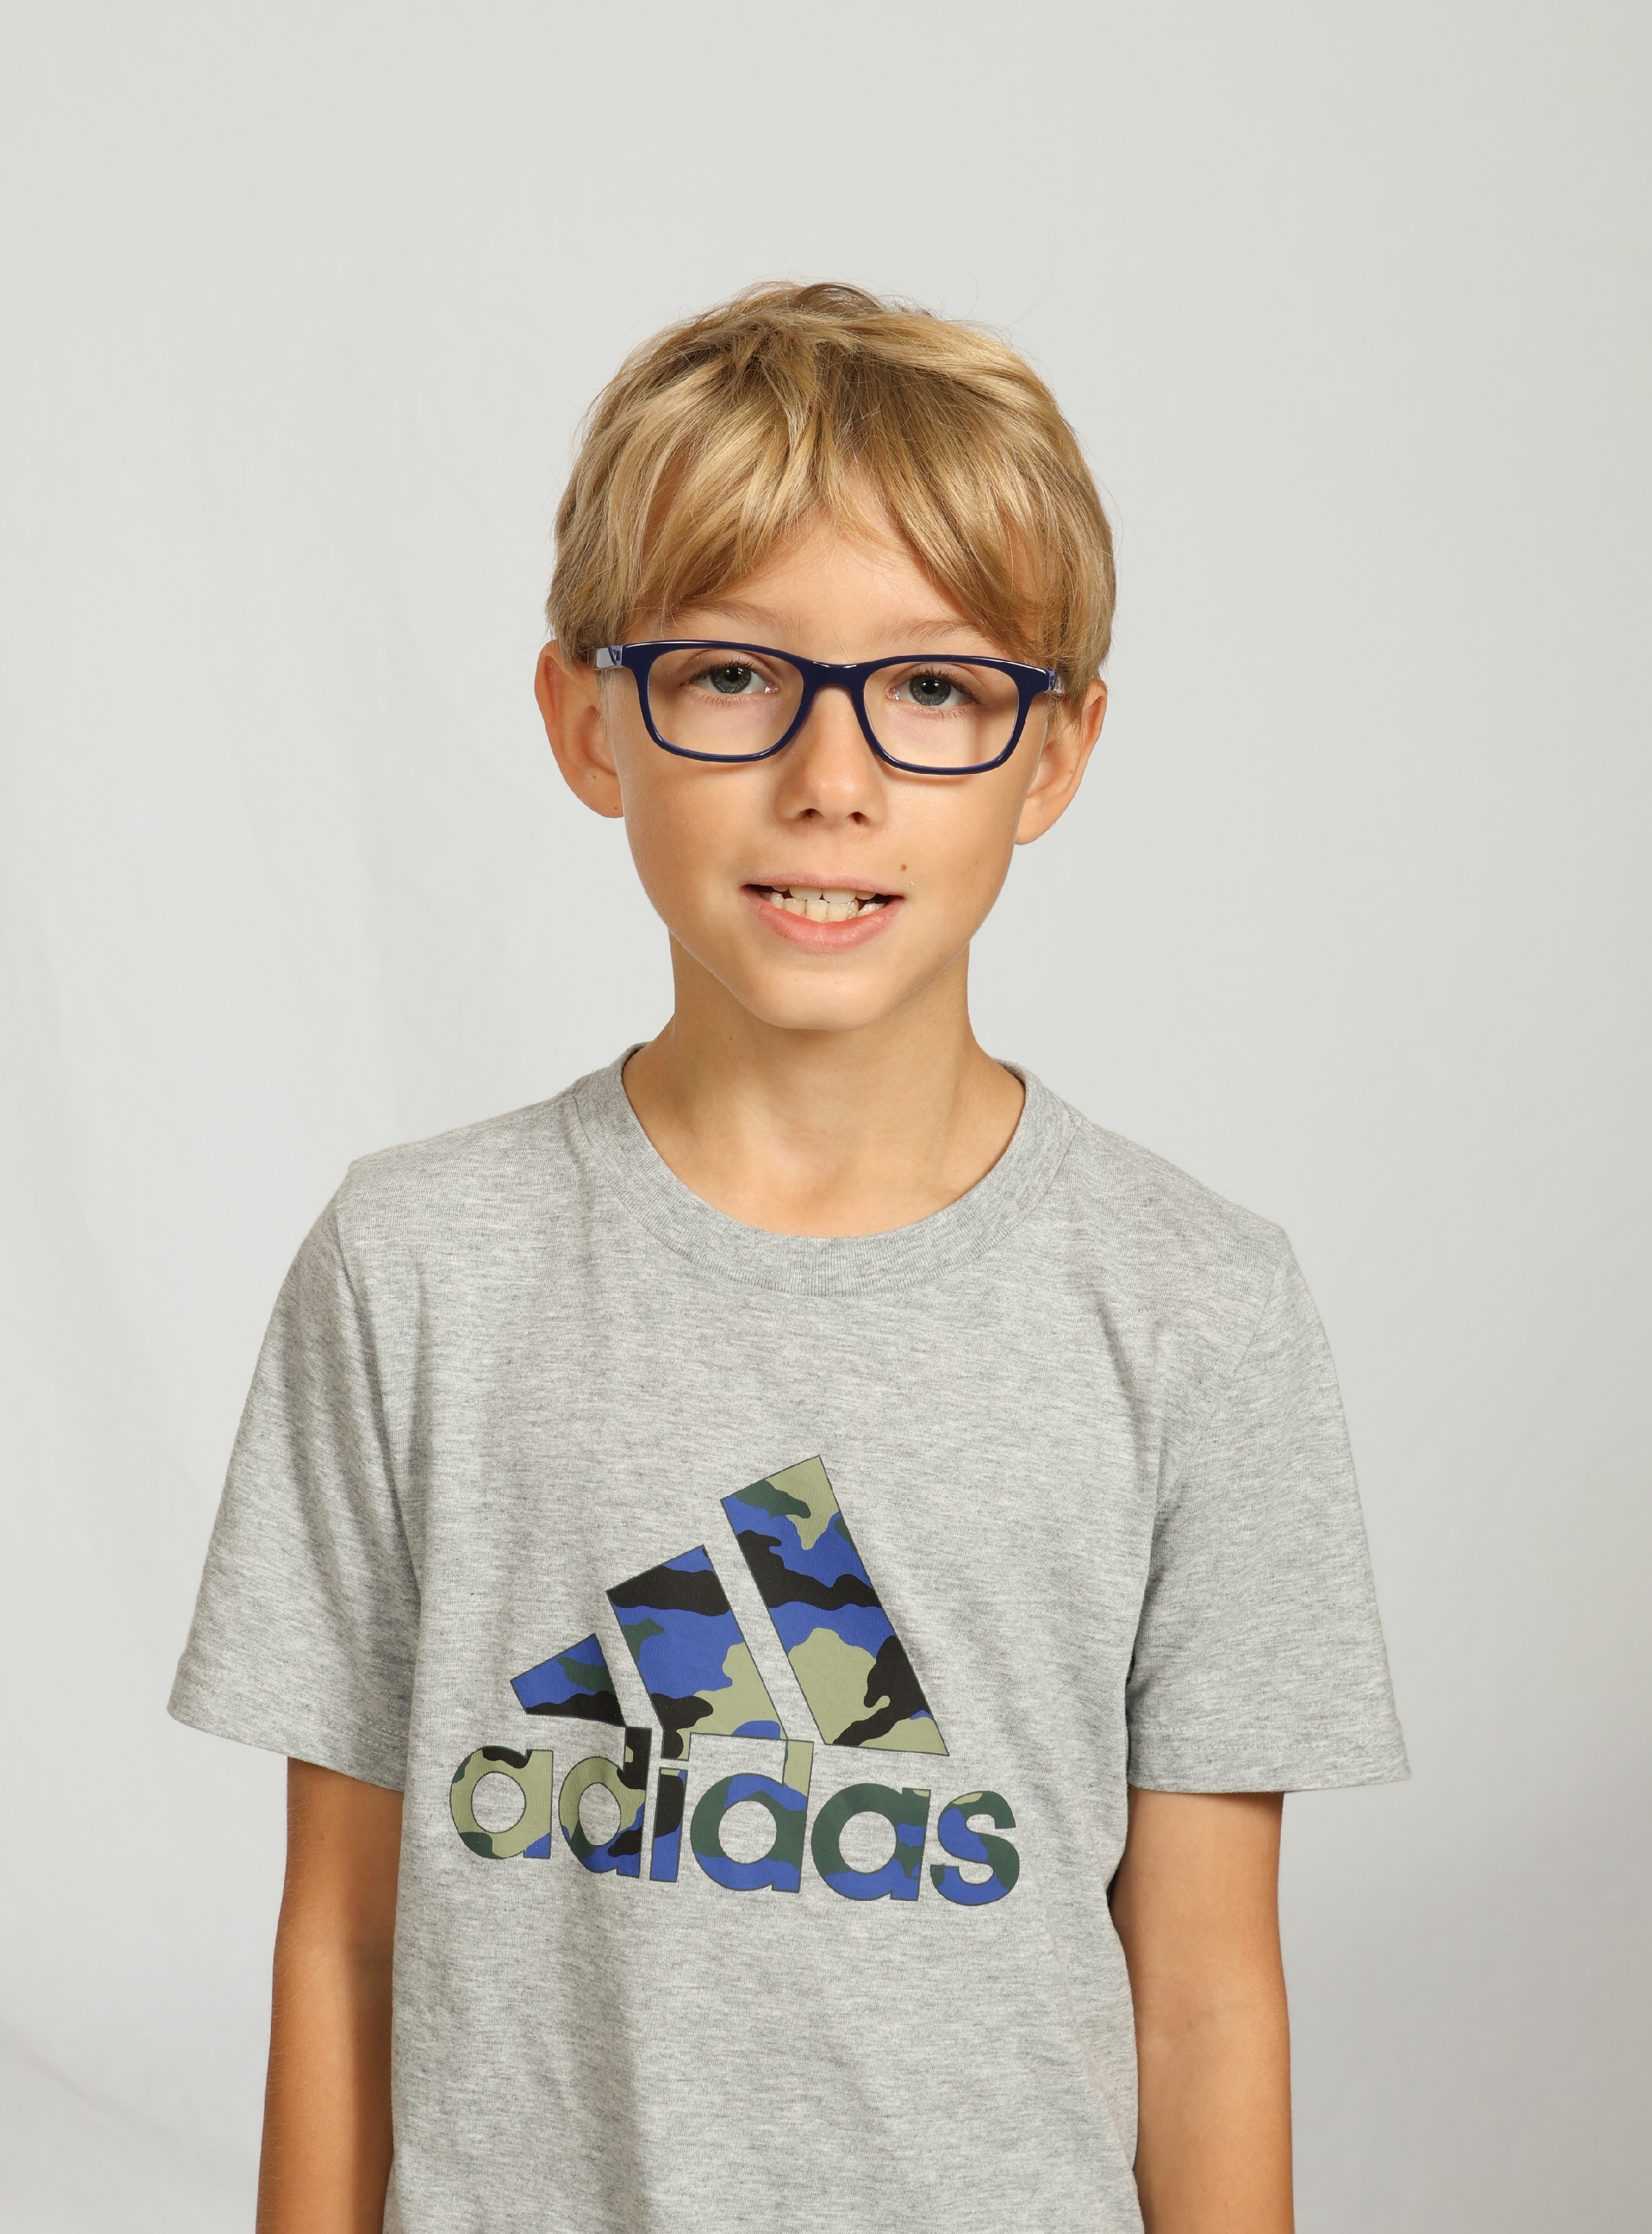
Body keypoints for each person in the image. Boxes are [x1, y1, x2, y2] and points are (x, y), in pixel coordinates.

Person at [171, 281, 1406, 2234]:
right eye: (737, 673)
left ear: (1057, 751)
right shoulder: (414, 1271)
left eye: (936, 690)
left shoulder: (1198, 1309)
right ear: (588, 720)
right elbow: (341, 1939)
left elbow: (1204, 1999)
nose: (834, 777)